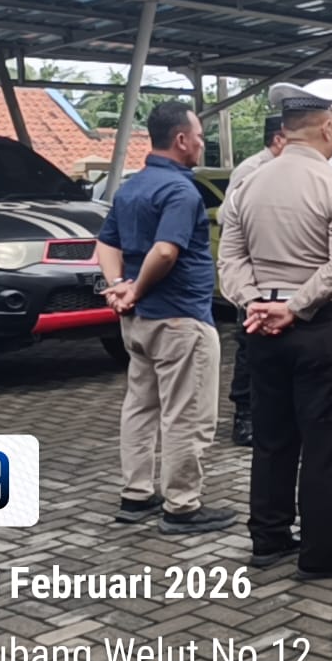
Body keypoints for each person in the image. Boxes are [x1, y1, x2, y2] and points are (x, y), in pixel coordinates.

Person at [217, 79, 332, 578]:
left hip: (261, 325)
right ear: (327, 127)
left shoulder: (248, 184)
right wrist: (297, 306)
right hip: (323, 324)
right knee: (326, 443)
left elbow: (230, 260)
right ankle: (321, 552)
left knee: (272, 437)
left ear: (285, 129)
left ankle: (268, 537)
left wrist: (255, 303)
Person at [96, 101, 236, 535]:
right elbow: (165, 251)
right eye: (199, 137)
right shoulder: (180, 192)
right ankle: (182, 506)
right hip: (180, 320)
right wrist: (135, 288)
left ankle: (136, 495)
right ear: (180, 139)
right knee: (186, 414)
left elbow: (106, 243)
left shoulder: (132, 187)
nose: (202, 144)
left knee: (140, 407)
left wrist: (119, 285)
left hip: (139, 323)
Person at [222, 110, 288, 447]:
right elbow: (226, 216)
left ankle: (271, 414)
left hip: (283, 278)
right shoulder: (251, 170)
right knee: (250, 350)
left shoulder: (289, 171)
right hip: (254, 278)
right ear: (278, 139)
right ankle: (244, 418)